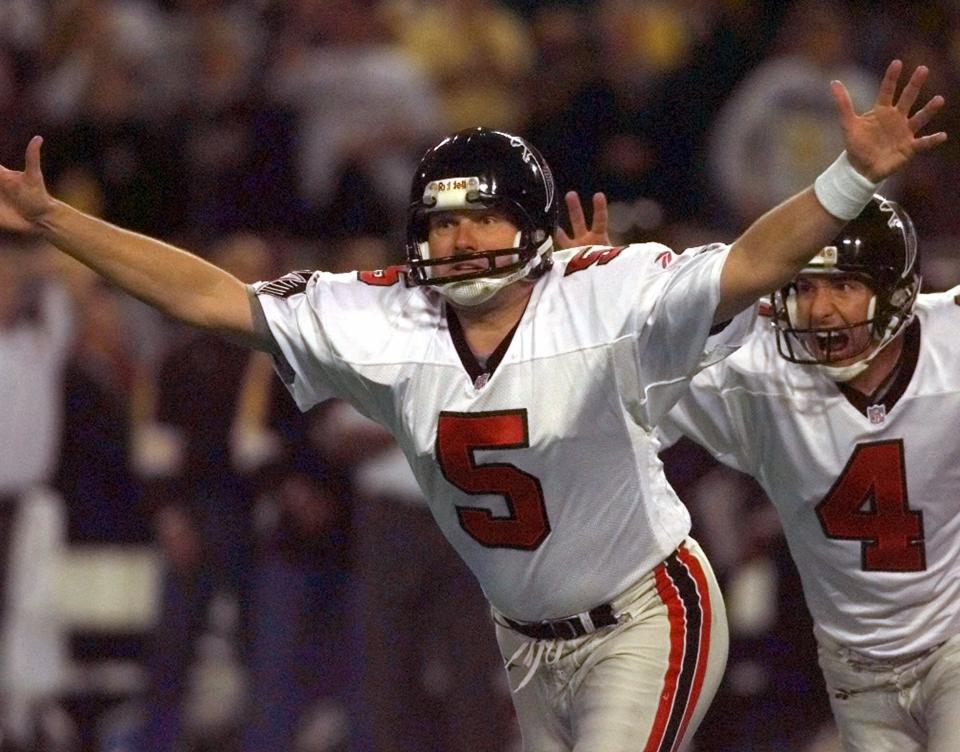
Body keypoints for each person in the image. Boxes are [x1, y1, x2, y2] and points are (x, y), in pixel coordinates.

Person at [0, 60, 944, 751]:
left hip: (649, 612)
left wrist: (850, 178)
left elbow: (754, 264)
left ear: (532, 231)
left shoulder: (601, 297)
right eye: (442, 222)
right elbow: (209, 299)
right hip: (524, 642)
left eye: (481, 218)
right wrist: (57, 222)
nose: (457, 240)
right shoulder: (384, 320)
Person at [653, 192, 960, 752]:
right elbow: (631, 388)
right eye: (804, 286)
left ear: (896, 291)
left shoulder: (951, 344)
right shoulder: (757, 373)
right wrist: (597, 317)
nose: (820, 309)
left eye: (843, 285)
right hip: (852, 669)